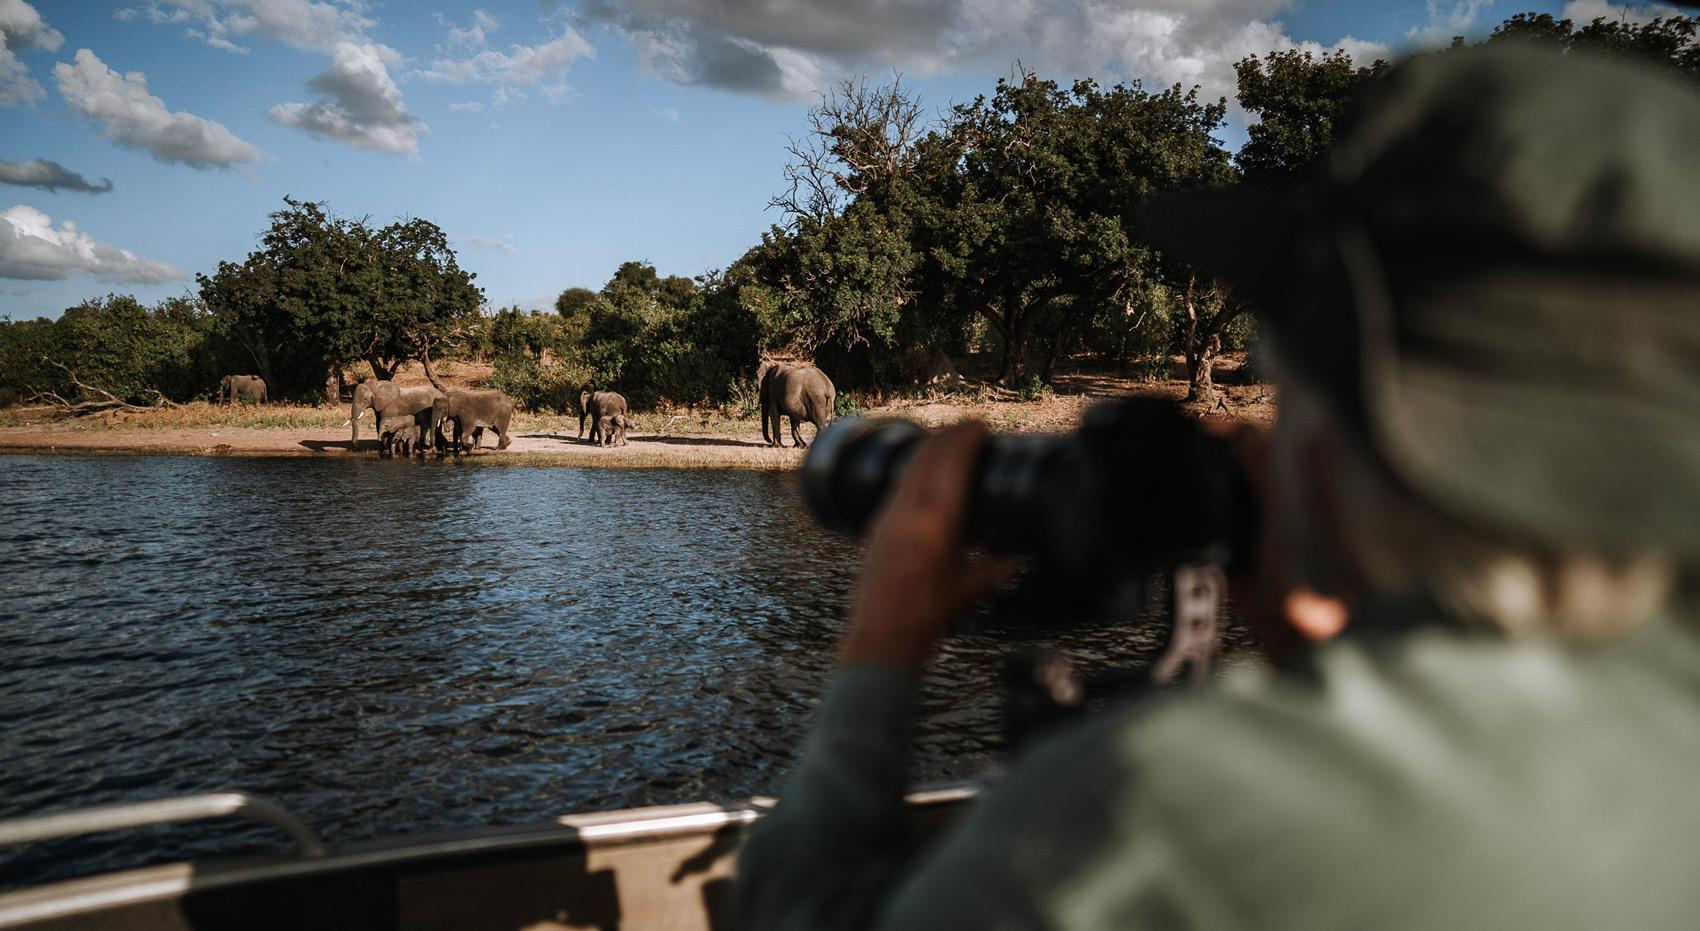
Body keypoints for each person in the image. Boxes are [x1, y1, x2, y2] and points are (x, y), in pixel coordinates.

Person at [738, 42, 1700, 930]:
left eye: (1284, 389)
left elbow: (794, 905)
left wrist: (883, 639)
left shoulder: (1161, 808)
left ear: (1336, 446)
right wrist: (1315, 645)